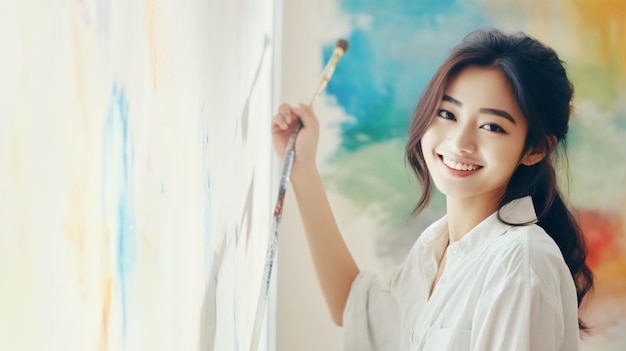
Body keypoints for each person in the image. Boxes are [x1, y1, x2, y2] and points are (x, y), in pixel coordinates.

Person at [271, 29, 594, 350]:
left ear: (535, 149)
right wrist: (301, 166)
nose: (459, 142)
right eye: (448, 114)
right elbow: (355, 310)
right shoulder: (435, 249)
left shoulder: (520, 264)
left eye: (492, 127)